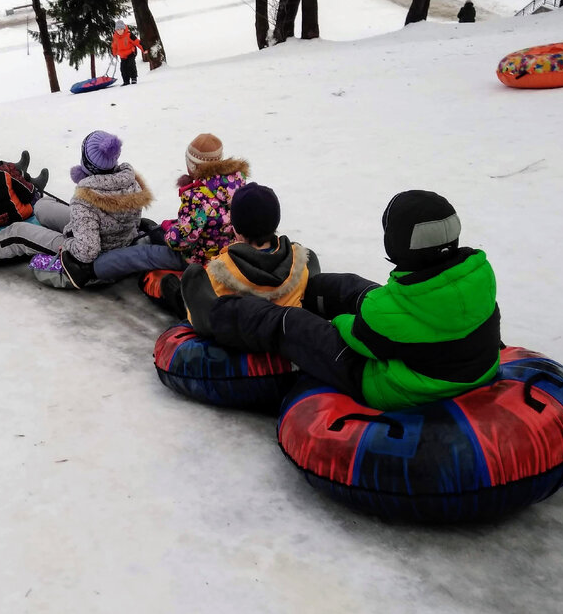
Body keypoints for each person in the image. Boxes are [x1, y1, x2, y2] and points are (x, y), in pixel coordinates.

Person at [203, 190, 501, 411]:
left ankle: (222, 313)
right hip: (465, 368)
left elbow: (357, 332)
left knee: (291, 323)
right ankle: (311, 290)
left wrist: (337, 319)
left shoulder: (381, 315)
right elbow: (394, 311)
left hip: (391, 384)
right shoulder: (481, 278)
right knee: (352, 289)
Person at [0, 131, 151, 273]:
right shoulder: (130, 180)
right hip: (107, 232)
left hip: (86, 249)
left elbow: (86, 252)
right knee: (42, 205)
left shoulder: (86, 197)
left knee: (17, 232)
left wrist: (66, 238)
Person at [60, 132, 248, 290]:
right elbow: (211, 219)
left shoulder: (199, 197)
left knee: (144, 254)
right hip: (224, 249)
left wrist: (170, 233)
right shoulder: (235, 183)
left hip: (199, 258)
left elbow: (181, 240)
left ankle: (93, 270)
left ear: (193, 166)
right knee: (156, 232)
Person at [179, 184, 315, 337]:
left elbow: (201, 315)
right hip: (285, 336)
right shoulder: (298, 263)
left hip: (241, 341)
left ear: (236, 229)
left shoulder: (221, 271)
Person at [111, 19, 143, 86]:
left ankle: (134, 78)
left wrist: (144, 49)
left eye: (121, 29)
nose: (119, 31)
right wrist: (114, 53)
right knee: (123, 68)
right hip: (122, 55)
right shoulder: (115, 37)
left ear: (124, 28)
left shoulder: (129, 35)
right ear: (116, 30)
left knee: (131, 65)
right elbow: (114, 46)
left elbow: (137, 42)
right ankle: (126, 81)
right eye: (118, 30)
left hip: (131, 52)